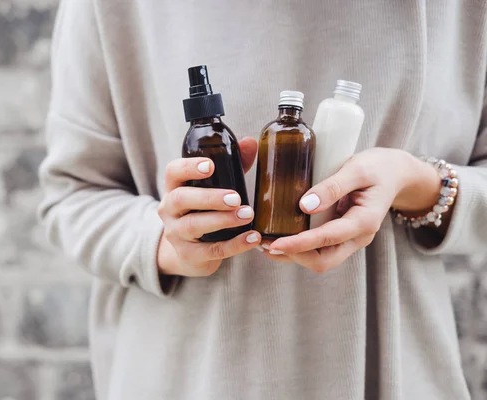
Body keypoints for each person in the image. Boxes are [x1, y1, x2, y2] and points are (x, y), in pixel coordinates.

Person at [38, 1, 487, 399]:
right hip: (194, 371)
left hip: (392, 363)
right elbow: (72, 196)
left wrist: (420, 184)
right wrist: (168, 242)